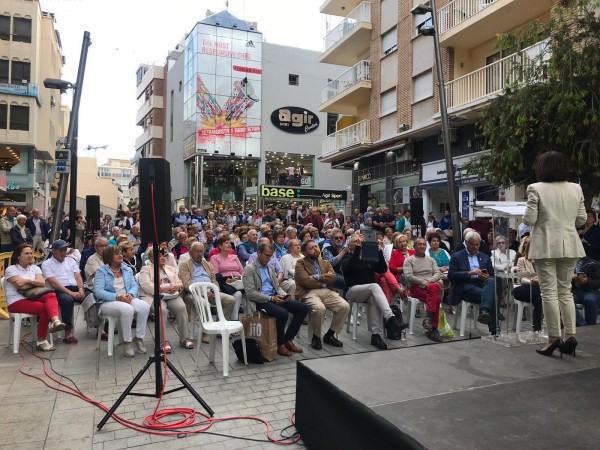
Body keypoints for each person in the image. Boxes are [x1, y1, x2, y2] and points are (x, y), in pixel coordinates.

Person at [523, 151, 586, 357]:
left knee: (548, 292)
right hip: (570, 244)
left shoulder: (536, 188)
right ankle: (570, 336)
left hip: (545, 245)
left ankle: (553, 339)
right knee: (565, 291)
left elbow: (529, 219)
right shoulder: (576, 188)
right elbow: (581, 220)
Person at [340, 234, 408, 350]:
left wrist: (379, 251)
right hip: (353, 291)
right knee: (375, 286)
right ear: (349, 245)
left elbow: (382, 269)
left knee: (375, 298)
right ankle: (390, 318)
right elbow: (349, 267)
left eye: (360, 241)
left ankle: (376, 335)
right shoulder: (347, 257)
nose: (359, 243)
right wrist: (357, 250)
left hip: (369, 292)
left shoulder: (368, 257)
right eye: (356, 241)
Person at [243, 242, 308, 356]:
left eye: (271, 256)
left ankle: (288, 339)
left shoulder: (270, 268)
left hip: (274, 297)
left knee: (303, 308)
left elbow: (277, 287)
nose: (268, 258)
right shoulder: (250, 269)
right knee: (282, 313)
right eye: (266, 255)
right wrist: (271, 298)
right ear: (259, 253)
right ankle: (280, 344)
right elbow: (250, 293)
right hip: (261, 300)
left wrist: (284, 295)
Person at [5, 244, 66, 351]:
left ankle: (55, 321)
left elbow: (42, 283)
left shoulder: (35, 268)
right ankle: (41, 340)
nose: (29, 255)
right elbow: (20, 285)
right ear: (18, 256)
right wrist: (33, 282)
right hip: (16, 301)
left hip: (33, 297)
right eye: (26, 253)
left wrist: (27, 281)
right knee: (44, 308)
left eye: (30, 253)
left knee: (51, 295)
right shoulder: (11, 269)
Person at [94, 245, 150, 357]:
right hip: (108, 301)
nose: (120, 255)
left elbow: (134, 285)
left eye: (120, 253)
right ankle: (127, 342)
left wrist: (131, 294)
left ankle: (138, 338)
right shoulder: (102, 271)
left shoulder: (126, 269)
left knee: (144, 306)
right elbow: (98, 291)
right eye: (117, 254)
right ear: (109, 257)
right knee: (127, 309)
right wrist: (117, 297)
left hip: (126, 298)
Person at [295, 239, 350, 350]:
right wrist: (325, 278)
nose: (315, 249)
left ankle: (329, 335)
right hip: (309, 292)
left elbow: (334, 278)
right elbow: (305, 281)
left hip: (327, 291)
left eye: (315, 246)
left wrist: (318, 276)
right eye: (311, 248)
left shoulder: (325, 262)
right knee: (319, 308)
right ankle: (316, 337)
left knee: (344, 306)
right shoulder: (300, 263)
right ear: (305, 253)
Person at [178, 242, 237, 344]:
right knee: (204, 304)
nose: (200, 254)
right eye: (197, 251)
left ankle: (219, 328)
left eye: (202, 251)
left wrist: (214, 290)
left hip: (210, 292)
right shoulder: (185, 265)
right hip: (192, 294)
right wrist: (203, 292)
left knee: (230, 300)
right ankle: (206, 331)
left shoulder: (208, 265)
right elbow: (187, 284)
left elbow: (214, 281)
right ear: (191, 252)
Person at [139, 248, 192, 352]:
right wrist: (163, 288)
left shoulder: (170, 268)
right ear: (151, 258)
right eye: (159, 256)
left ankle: (184, 338)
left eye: (164, 255)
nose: (162, 258)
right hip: (155, 296)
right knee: (162, 311)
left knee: (181, 307)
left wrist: (175, 287)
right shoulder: (146, 269)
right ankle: (163, 341)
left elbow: (179, 282)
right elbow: (146, 285)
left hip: (172, 295)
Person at [448, 231, 498, 336]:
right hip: (464, 286)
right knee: (492, 296)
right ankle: (494, 330)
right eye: (472, 244)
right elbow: (451, 275)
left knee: (492, 281)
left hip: (481, 284)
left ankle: (484, 311)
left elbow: (492, 275)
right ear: (466, 243)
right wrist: (469, 273)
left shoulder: (485, 257)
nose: (475, 247)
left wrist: (487, 276)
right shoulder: (457, 256)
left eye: (477, 244)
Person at [41, 240, 83, 344]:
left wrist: (81, 289)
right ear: (53, 251)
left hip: (74, 287)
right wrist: (71, 293)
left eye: (65, 250)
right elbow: (53, 283)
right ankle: (68, 333)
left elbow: (78, 276)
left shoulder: (71, 260)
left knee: (92, 296)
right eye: (61, 251)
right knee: (67, 300)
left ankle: (98, 326)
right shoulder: (46, 264)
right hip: (59, 290)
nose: (63, 253)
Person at [404, 238, 443, 342]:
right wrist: (422, 282)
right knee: (437, 298)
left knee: (434, 289)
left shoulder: (430, 260)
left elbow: (438, 273)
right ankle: (433, 328)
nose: (422, 246)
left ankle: (429, 322)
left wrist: (428, 282)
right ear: (414, 246)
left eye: (424, 244)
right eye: (419, 244)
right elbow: (408, 276)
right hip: (417, 288)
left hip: (430, 286)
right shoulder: (409, 260)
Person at [208, 235, 244, 320]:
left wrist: (239, 277)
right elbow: (216, 274)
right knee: (237, 294)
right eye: (226, 243)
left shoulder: (234, 257)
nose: (229, 245)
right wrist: (227, 279)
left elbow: (242, 271)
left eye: (230, 243)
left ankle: (234, 319)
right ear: (220, 246)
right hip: (224, 283)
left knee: (242, 292)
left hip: (239, 282)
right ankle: (235, 319)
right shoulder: (215, 258)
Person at [513, 236, 543, 332]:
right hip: (524, 287)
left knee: (540, 298)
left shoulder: (542, 262)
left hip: (539, 289)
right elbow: (521, 278)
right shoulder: (522, 260)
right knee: (542, 295)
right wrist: (532, 281)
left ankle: (537, 327)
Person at [571, 256, 600, 327]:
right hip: (572, 290)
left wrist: (587, 281)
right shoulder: (564, 263)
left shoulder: (593, 263)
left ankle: (591, 325)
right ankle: (583, 325)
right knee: (568, 301)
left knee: (590, 300)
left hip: (589, 290)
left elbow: (598, 283)